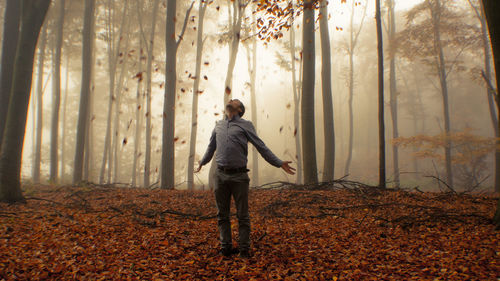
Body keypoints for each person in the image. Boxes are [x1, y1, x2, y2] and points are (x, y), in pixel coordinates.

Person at [196, 99, 295, 258]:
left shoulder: (246, 125)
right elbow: (210, 147)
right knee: (222, 215)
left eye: (234, 101)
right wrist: (202, 162)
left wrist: (278, 163)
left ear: (239, 109)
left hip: (239, 176)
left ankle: (244, 250)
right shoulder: (218, 125)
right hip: (220, 175)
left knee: (242, 215)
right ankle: (225, 248)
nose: (230, 100)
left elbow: (261, 147)